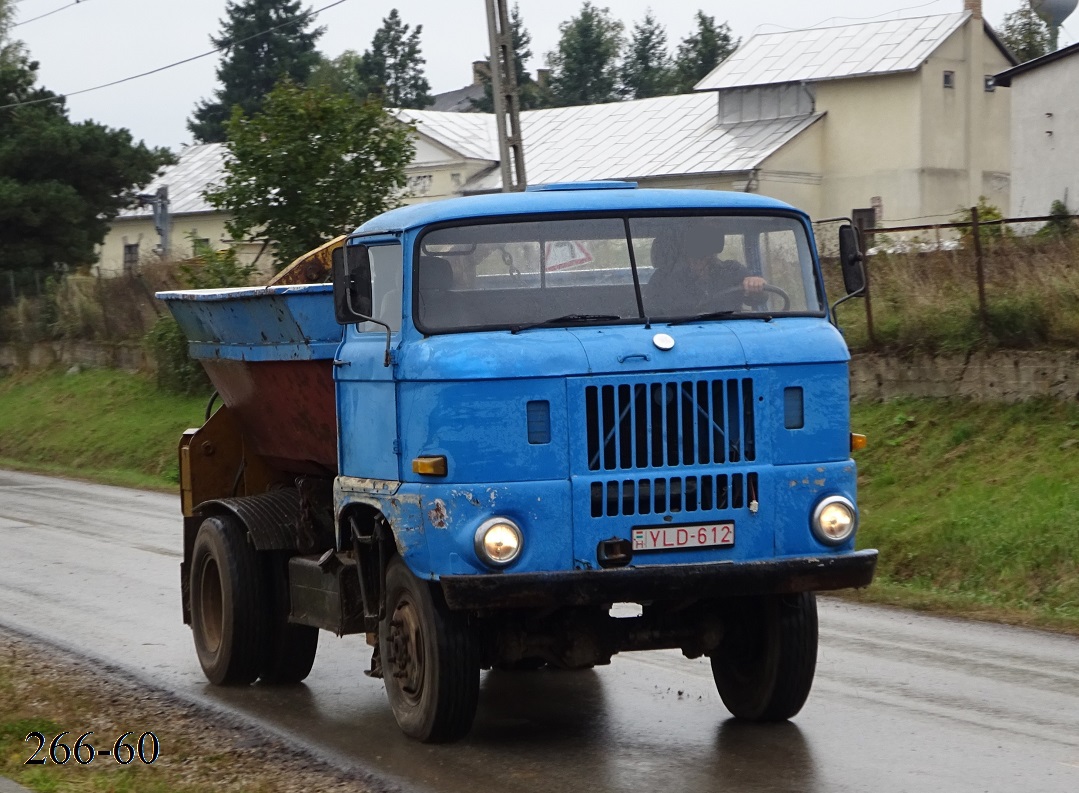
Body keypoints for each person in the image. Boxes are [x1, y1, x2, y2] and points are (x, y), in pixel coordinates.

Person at [647, 225, 765, 315]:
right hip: (682, 332)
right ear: (683, 255)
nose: (703, 261)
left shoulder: (732, 270)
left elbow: (758, 299)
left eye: (707, 255)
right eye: (697, 257)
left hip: (732, 327)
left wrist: (755, 284)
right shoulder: (662, 280)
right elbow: (654, 318)